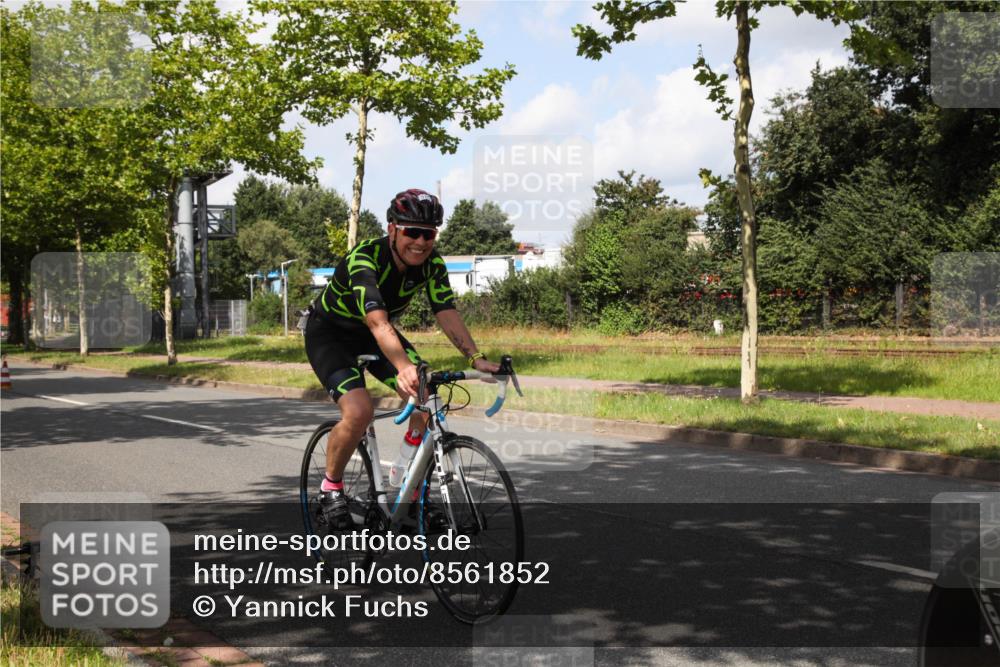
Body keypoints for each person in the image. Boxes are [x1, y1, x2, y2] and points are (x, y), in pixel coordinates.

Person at [304, 188, 500, 530]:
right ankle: (330, 488)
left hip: (375, 334)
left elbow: (446, 311)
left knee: (427, 396)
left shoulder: (432, 264)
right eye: (412, 232)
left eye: (429, 233)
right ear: (392, 228)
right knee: (360, 410)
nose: (421, 242)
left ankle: (404, 488)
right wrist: (403, 367)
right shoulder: (365, 259)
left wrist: (476, 357)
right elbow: (378, 320)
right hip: (331, 335)